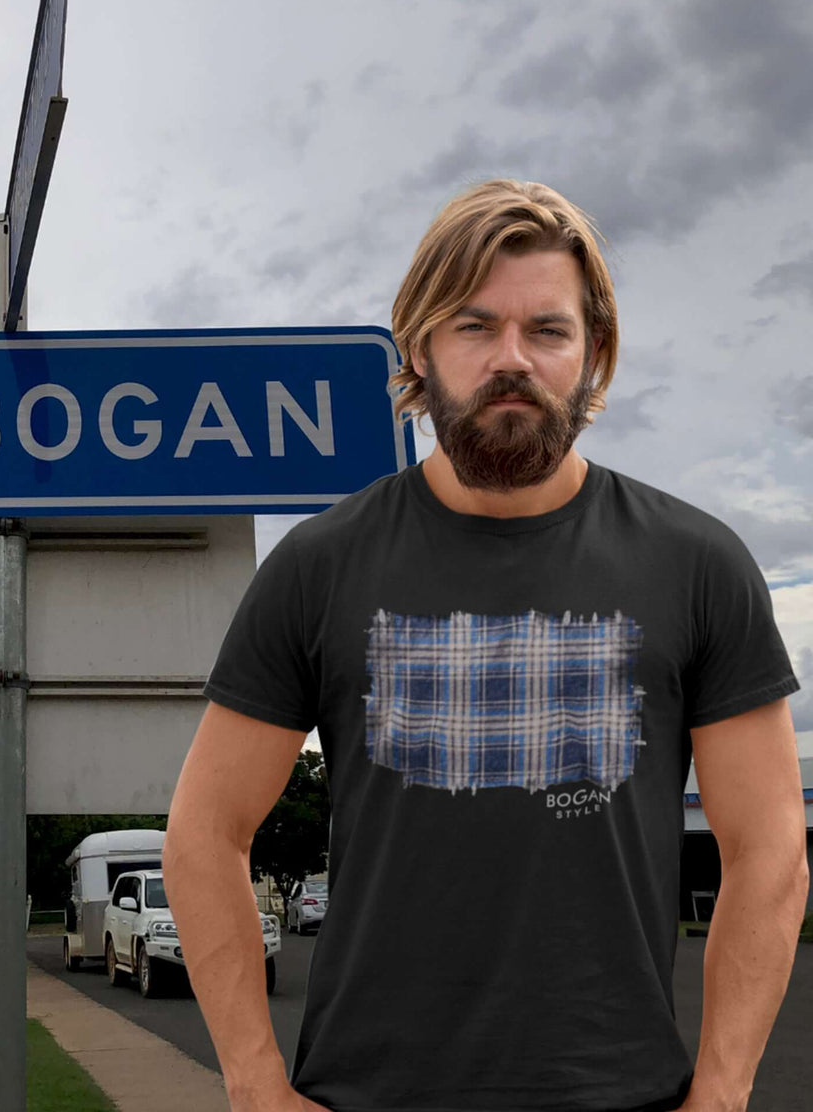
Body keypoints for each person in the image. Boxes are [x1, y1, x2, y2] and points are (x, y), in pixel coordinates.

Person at [163, 179, 808, 1112]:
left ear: (594, 355)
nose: (512, 359)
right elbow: (204, 834)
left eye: (547, 330)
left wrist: (721, 1094)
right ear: (420, 350)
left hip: (623, 1092)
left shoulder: (699, 563)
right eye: (473, 326)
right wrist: (256, 1088)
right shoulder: (319, 565)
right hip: (366, 1092)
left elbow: (771, 849)